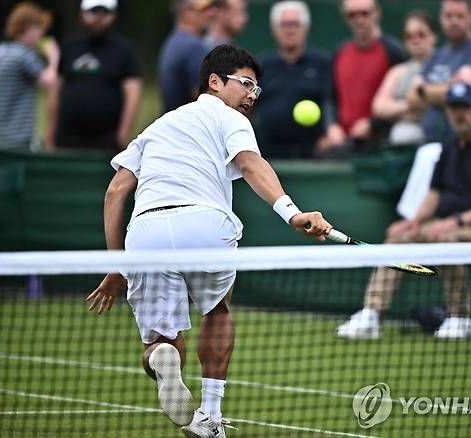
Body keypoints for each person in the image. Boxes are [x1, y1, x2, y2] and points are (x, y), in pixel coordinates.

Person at [86, 45, 333, 437]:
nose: (252, 94)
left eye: (257, 89)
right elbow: (252, 163)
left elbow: (116, 191)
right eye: (246, 83)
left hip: (146, 232)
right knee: (217, 311)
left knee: (164, 343)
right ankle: (210, 418)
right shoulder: (227, 116)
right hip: (204, 225)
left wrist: (116, 264)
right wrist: (293, 212)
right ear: (215, 83)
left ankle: (162, 357)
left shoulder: (156, 126)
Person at [337, 82, 471, 340]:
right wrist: (414, 221)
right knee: (398, 238)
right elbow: (434, 193)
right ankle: (372, 314)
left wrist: (457, 221)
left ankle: (460, 317)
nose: (458, 114)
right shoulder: (449, 148)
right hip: (446, 223)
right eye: (453, 108)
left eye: (464, 107)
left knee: (447, 239)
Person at [45, 0, 142, 151]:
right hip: (67, 140)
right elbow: (56, 91)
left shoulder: (124, 51)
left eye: (104, 13)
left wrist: (123, 134)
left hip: (106, 142)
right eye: (93, 12)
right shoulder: (70, 47)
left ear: (114, 15)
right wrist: (50, 132)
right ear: (82, 14)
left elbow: (133, 94)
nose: (98, 18)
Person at [323, 0, 407, 157]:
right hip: (343, 145)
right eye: (352, 15)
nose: (359, 19)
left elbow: (402, 100)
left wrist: (373, 125)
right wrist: (332, 126)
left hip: (381, 146)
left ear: (377, 13)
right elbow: (330, 97)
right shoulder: (340, 52)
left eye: (365, 13)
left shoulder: (393, 51)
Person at [408, 0, 471, 143]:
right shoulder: (437, 55)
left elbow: (459, 93)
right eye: (448, 16)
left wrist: (424, 91)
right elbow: (412, 97)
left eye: (460, 16)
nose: (454, 21)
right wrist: (442, 89)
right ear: (441, 18)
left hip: (466, 143)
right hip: (429, 142)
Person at [253, 1, 332, 159]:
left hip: (314, 154)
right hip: (267, 153)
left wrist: (330, 133)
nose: (290, 30)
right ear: (274, 29)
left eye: (295, 24)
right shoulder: (260, 65)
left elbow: (333, 101)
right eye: (284, 24)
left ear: (306, 28)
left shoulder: (323, 63)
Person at [0, 2, 59, 150]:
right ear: (29, 28)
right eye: (39, 29)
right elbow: (50, 82)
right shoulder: (24, 55)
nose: (41, 34)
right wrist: (53, 57)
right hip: (22, 139)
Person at [372, 10, 437, 146]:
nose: (415, 40)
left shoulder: (445, 65)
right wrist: (409, 106)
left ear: (433, 36)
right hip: (403, 145)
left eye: (421, 34)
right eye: (409, 35)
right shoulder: (398, 71)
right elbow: (378, 106)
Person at [158, 0, 218, 113]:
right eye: (204, 9)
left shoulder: (172, 41)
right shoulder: (194, 47)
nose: (211, 13)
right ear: (188, 12)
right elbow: (206, 99)